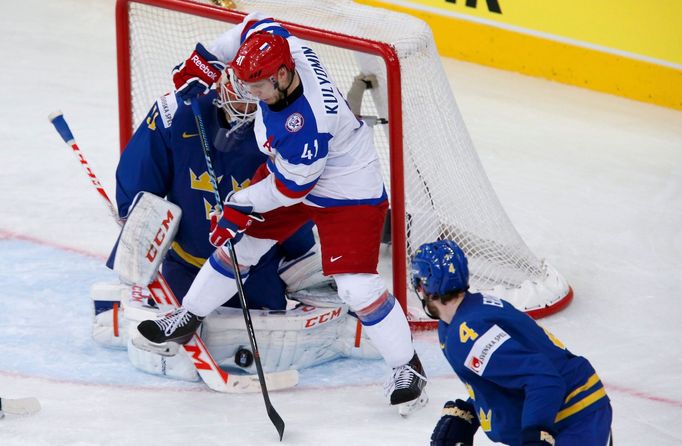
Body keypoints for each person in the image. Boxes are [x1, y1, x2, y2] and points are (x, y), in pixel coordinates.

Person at [135, 13, 427, 414]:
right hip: (288, 170)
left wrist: (240, 204)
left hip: (347, 192)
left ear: (283, 76)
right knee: (240, 246)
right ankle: (188, 315)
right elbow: (254, 23)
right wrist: (204, 59)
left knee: (356, 288)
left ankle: (406, 366)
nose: (250, 92)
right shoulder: (278, 44)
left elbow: (291, 190)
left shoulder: (307, 123)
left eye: (257, 85)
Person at [114, 68, 316, 311]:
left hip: (257, 271)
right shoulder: (175, 111)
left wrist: (301, 257)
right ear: (222, 79)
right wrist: (134, 222)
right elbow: (140, 179)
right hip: (184, 268)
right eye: (243, 86)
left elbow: (295, 197)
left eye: (258, 87)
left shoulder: (290, 126)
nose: (249, 98)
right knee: (168, 336)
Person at [410, 240, 613, 446]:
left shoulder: (467, 333)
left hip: (576, 419)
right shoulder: (467, 315)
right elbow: (507, 372)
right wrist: (471, 411)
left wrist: (536, 435)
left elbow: (543, 379)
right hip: (567, 412)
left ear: (423, 287)